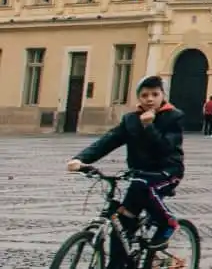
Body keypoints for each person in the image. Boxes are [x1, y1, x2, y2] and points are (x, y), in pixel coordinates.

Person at [67, 75, 186, 257]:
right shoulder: (130, 120)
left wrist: (149, 127)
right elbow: (109, 141)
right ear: (139, 98)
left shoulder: (173, 117)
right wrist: (81, 159)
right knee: (122, 222)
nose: (150, 99)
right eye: (145, 95)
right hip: (139, 173)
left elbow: (165, 148)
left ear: (163, 95)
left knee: (143, 186)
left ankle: (167, 222)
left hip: (168, 172)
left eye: (155, 94)